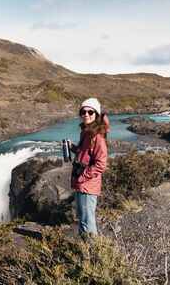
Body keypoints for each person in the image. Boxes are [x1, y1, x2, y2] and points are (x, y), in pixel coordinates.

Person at [69, 97, 109, 238]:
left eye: (90, 112)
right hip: (82, 183)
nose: (86, 114)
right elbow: (84, 154)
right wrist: (73, 147)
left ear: (96, 115)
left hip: (88, 185)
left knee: (87, 222)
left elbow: (101, 164)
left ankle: (93, 253)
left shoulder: (98, 137)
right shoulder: (86, 132)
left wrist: (83, 175)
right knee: (83, 218)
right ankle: (85, 249)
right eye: (83, 111)